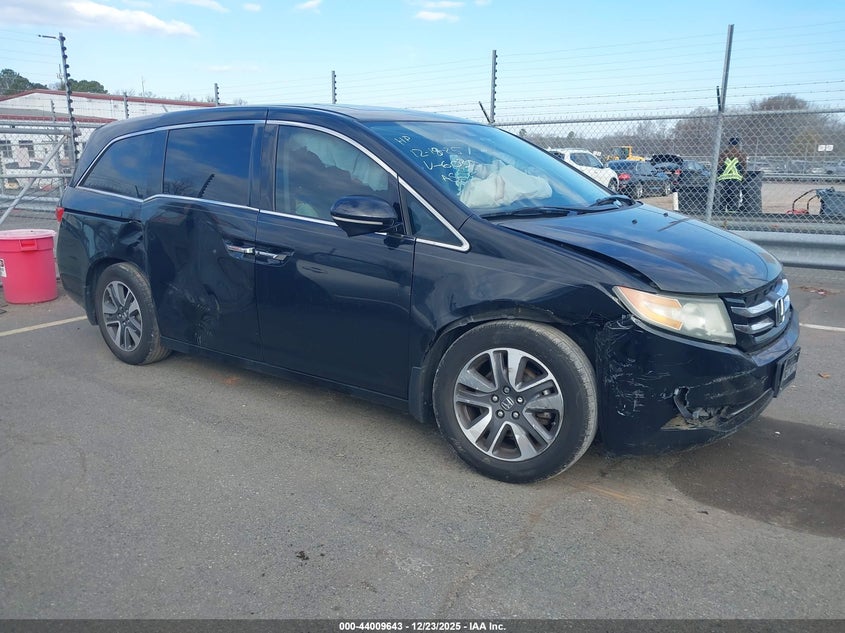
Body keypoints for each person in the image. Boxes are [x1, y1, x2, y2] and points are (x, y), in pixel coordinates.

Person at [716, 137, 748, 213]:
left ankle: (721, 214)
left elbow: (718, 167)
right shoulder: (741, 155)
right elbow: (744, 168)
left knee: (722, 199)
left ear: (728, 145)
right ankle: (732, 215)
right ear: (739, 145)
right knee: (733, 200)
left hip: (722, 180)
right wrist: (743, 177)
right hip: (736, 180)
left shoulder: (723, 154)